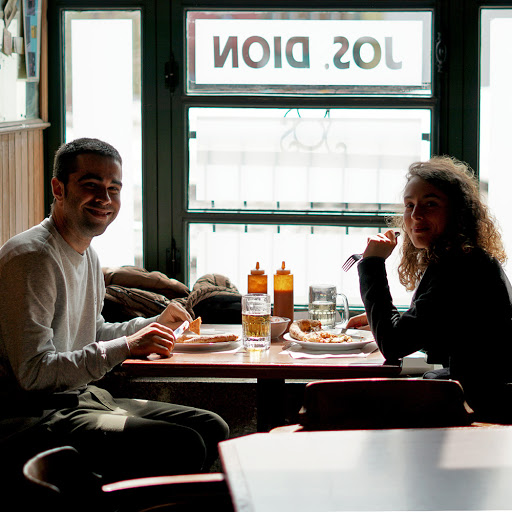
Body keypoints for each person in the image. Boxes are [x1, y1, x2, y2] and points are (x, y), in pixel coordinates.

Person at [0, 138, 229, 484]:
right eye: (91, 185)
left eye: (113, 189)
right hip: (36, 416)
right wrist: (126, 347)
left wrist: (153, 325)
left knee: (212, 427)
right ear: (58, 189)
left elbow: (93, 332)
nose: (105, 199)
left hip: (81, 398)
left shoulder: (88, 255)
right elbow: (33, 374)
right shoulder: (33, 258)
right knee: (182, 443)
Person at [346, 155, 512, 422]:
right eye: (409, 205)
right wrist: (381, 319)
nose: (415, 215)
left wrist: (372, 263)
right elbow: (434, 324)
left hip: (481, 410)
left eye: (430, 203)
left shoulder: (461, 268)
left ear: (457, 212)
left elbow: (393, 345)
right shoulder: (460, 258)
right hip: (478, 396)